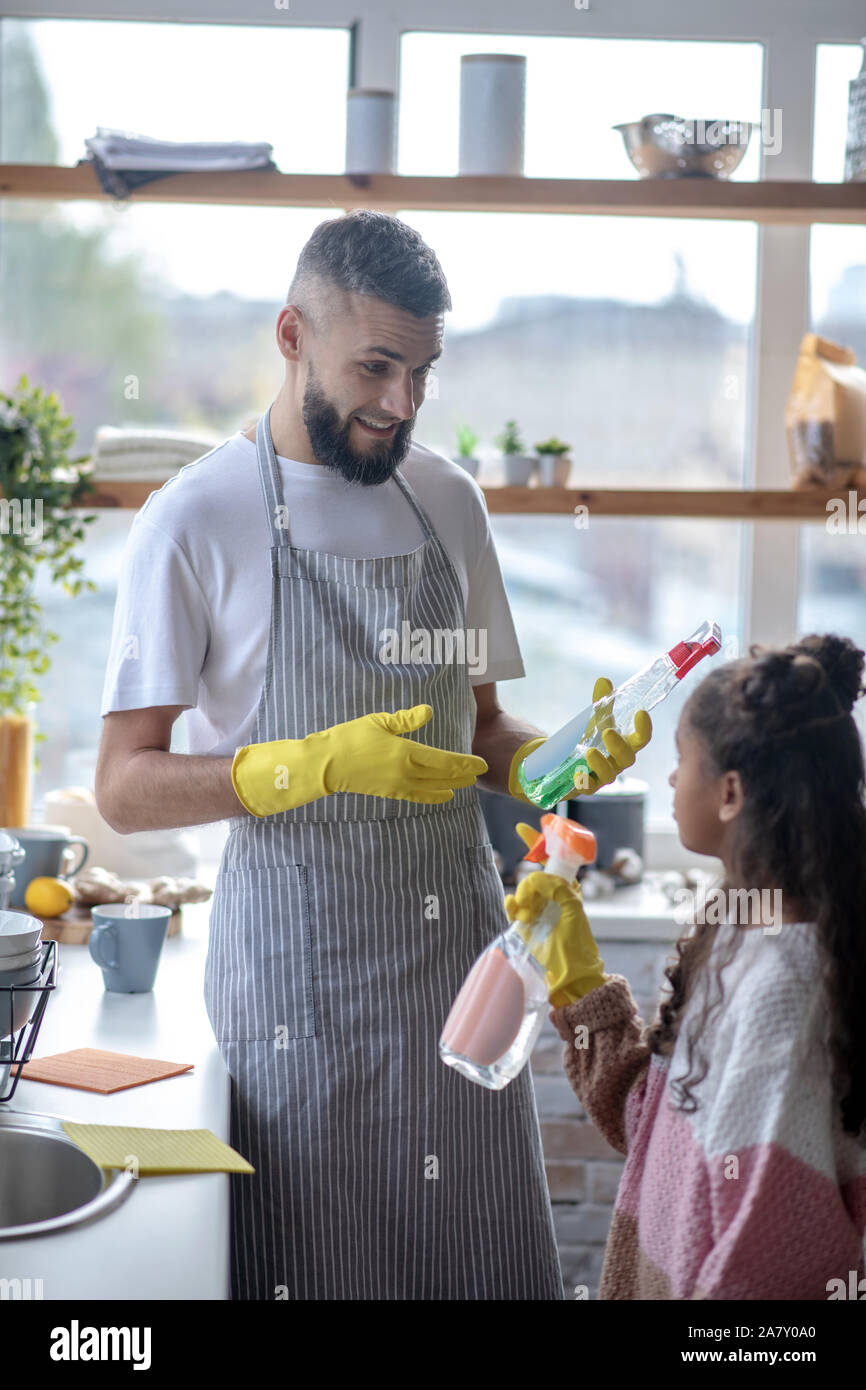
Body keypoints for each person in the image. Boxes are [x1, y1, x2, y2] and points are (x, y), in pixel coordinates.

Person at [96, 208, 652, 1300]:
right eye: (376, 366)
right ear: (291, 335)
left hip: (457, 980)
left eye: (423, 372)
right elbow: (122, 785)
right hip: (292, 988)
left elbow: (482, 731)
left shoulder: (445, 500)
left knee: (473, 1264)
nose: (399, 403)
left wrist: (568, 761)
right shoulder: (192, 519)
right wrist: (302, 766)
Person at [506, 632, 866, 1300]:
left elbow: (763, 1273)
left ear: (731, 791)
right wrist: (578, 982)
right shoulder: (735, 931)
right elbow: (655, 1136)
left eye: (681, 760)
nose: (671, 780)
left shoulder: (785, 988)